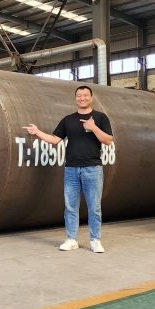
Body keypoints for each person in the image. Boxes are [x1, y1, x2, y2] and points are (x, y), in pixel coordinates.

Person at [23, 86, 113, 253]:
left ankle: (95, 240)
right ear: (75, 98)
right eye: (79, 95)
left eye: (85, 95)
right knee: (70, 206)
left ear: (91, 98)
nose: (82, 98)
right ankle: (72, 239)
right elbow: (54, 140)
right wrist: (37, 132)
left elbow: (108, 140)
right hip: (71, 169)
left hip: (92, 168)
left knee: (94, 207)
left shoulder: (100, 118)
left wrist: (93, 127)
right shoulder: (68, 120)